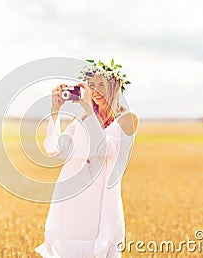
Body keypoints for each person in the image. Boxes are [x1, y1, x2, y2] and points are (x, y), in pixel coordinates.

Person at [35, 60, 138, 258]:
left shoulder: (126, 120)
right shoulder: (79, 121)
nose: (96, 90)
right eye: (92, 85)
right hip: (73, 201)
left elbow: (101, 148)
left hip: (100, 203)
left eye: (102, 85)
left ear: (115, 88)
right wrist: (54, 111)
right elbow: (54, 149)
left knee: (97, 247)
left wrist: (89, 111)